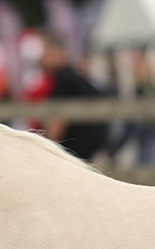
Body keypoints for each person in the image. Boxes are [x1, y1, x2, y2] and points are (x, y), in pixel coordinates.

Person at [38, 29, 109, 162]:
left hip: (77, 155)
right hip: (91, 152)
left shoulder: (63, 79)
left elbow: (54, 130)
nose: (40, 58)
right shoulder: (75, 77)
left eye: (44, 52)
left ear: (55, 51)